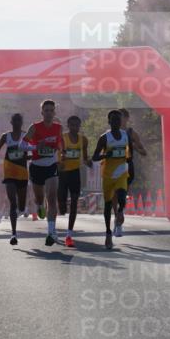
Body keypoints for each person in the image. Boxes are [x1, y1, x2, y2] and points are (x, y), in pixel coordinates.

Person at [0, 113, 34, 245]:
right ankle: (13, 234)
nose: (16, 123)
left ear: (22, 123)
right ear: (11, 122)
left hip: (22, 173)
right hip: (9, 172)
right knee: (12, 203)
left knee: (20, 205)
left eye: (19, 121)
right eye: (14, 121)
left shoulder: (25, 136)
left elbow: (32, 149)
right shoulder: (6, 136)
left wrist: (29, 157)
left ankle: (23, 208)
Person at [25, 100, 64, 246]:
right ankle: (40, 206)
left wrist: (62, 153)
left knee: (52, 198)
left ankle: (51, 232)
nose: (48, 113)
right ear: (42, 113)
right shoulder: (34, 127)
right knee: (40, 199)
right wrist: (35, 146)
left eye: (51, 110)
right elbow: (22, 145)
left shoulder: (58, 128)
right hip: (36, 167)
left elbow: (58, 143)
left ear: (54, 112)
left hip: (51, 166)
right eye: (46, 110)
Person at [91, 110, 130, 249]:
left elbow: (128, 156)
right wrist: (106, 155)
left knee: (121, 196)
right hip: (108, 175)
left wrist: (130, 169)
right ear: (109, 122)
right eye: (113, 120)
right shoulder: (104, 138)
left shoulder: (126, 136)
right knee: (107, 206)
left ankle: (119, 213)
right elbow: (94, 157)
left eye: (118, 120)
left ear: (121, 122)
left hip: (122, 173)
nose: (116, 122)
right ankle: (108, 233)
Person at [57, 115, 91, 248]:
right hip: (62, 173)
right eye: (72, 125)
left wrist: (88, 162)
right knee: (62, 206)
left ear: (79, 126)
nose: (75, 128)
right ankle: (61, 204)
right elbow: (59, 152)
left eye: (77, 125)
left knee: (75, 200)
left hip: (75, 173)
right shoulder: (63, 138)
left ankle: (69, 234)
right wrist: (60, 161)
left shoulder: (83, 140)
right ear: (68, 125)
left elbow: (85, 157)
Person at [119, 108, 147, 190]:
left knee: (122, 192)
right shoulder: (109, 133)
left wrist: (135, 147)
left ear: (127, 118)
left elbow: (144, 152)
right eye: (117, 116)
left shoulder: (131, 133)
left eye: (121, 116)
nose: (119, 118)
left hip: (127, 165)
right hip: (113, 165)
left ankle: (121, 201)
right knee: (115, 193)